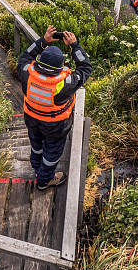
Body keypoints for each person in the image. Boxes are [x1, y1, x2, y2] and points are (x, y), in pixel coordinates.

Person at [17, 25, 91, 189]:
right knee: (52, 152)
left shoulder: (26, 73)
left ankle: (37, 167)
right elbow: (85, 67)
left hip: (31, 119)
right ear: (60, 67)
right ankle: (44, 180)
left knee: (36, 145)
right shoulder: (65, 83)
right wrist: (74, 46)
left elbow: (26, 55)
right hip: (55, 125)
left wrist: (43, 41)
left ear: (39, 61)